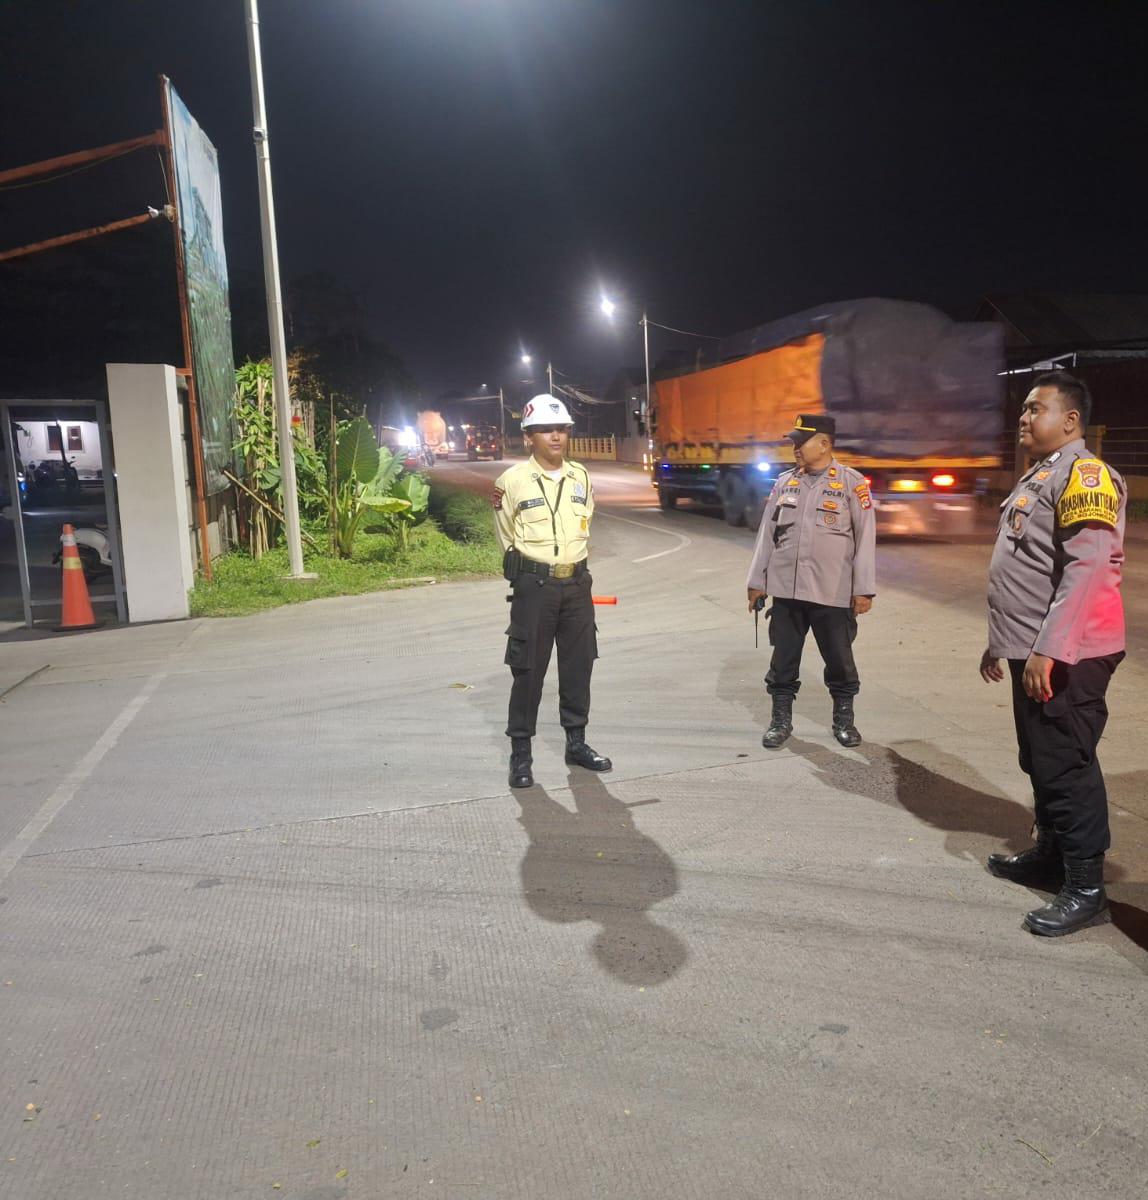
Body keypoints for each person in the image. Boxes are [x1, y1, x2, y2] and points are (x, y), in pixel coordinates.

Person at [980, 372, 1125, 937]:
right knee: (1039, 758)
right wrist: (1003, 642)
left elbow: (1088, 570)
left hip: (1071, 653)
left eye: (1035, 408)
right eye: (1023, 408)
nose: (1023, 417)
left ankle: (1087, 888)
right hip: (1036, 646)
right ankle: (1050, 856)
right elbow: (1029, 567)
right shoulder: (1041, 473)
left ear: (1070, 420)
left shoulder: (1086, 474)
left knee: (1066, 764)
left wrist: (1049, 650)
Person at [493, 394, 612, 789]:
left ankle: (576, 743)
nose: (556, 436)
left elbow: (586, 520)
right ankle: (521, 754)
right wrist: (531, 570)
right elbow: (506, 536)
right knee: (528, 670)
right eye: (546, 430)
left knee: (579, 666)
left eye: (561, 429)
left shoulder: (581, 476)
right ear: (529, 437)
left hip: (577, 584)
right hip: (535, 585)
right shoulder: (511, 481)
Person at [745, 414, 877, 748]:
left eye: (800, 442)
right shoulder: (784, 483)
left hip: (831, 592)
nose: (795, 449)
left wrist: (863, 590)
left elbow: (866, 540)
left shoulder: (851, 484)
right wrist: (756, 581)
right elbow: (766, 535)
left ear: (824, 443)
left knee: (839, 660)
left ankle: (844, 721)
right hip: (786, 592)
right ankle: (780, 721)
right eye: (793, 442)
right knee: (783, 660)